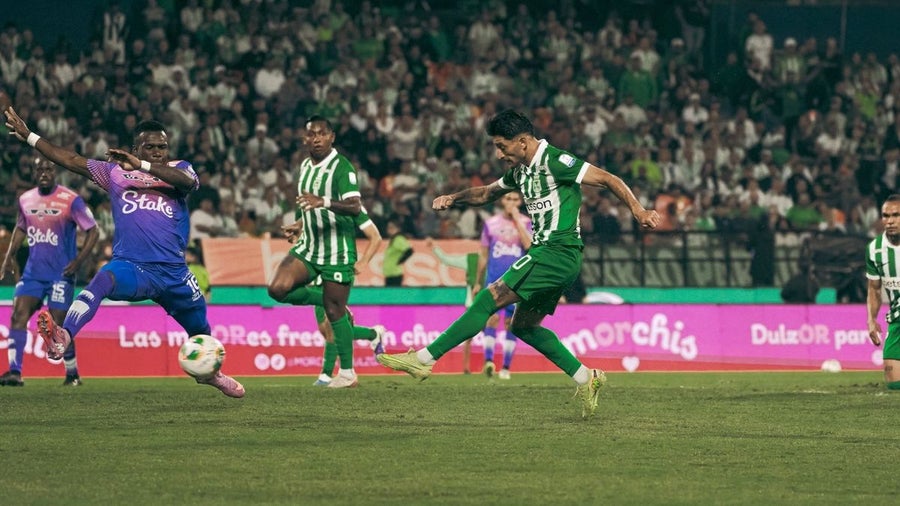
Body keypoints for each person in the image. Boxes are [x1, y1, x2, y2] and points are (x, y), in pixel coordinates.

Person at [376, 109, 660, 419]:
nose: (499, 154)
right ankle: (586, 377)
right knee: (523, 326)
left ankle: (424, 359)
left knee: (489, 298)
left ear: (523, 142)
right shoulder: (520, 172)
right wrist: (454, 198)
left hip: (556, 252)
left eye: (502, 146)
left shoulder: (556, 161)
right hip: (551, 256)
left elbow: (607, 178)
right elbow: (486, 193)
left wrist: (639, 211)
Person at [4, 107, 245, 398]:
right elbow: (70, 159)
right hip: (133, 267)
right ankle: (63, 336)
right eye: (150, 147)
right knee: (102, 280)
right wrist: (30, 136)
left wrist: (142, 164)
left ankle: (211, 375)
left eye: (162, 147)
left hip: (175, 273)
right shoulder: (114, 173)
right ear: (135, 147)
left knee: (201, 331)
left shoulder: (179, 168)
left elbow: (188, 183)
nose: (158, 152)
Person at [267, 116, 365, 389]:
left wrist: (323, 201)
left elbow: (354, 206)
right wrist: (300, 224)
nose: (317, 139)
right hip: (310, 246)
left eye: (322, 134)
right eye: (312, 134)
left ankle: (348, 373)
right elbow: (309, 206)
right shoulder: (306, 166)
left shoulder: (342, 167)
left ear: (332, 137)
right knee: (278, 289)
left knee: (334, 313)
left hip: (336, 250)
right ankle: (331, 300)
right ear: (305, 139)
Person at [0, 156, 99, 386]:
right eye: (40, 169)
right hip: (33, 274)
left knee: (59, 326)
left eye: (49, 169)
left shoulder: (71, 200)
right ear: (33, 173)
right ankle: (14, 372)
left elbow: (93, 231)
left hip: (60, 275)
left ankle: (72, 374)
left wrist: (78, 261)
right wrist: (8, 257)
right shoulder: (25, 199)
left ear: (56, 173)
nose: (44, 173)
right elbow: (20, 227)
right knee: (18, 315)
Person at [281, 206, 386, 387]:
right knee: (328, 329)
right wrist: (297, 237)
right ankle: (372, 334)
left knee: (329, 324)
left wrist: (363, 261)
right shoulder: (303, 207)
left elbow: (370, 233)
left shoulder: (344, 204)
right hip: (315, 268)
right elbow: (303, 232)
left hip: (338, 265)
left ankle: (327, 374)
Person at [476, 191, 532, 380]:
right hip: (494, 280)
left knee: (511, 323)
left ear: (521, 201)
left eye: (515, 199)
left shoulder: (527, 222)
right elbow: (483, 255)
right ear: (502, 200)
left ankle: (506, 367)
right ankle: (488, 362)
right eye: (508, 198)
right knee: (491, 319)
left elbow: (529, 246)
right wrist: (477, 282)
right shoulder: (490, 224)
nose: (512, 202)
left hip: (517, 282)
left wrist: (516, 219)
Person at [426, 237, 481, 374]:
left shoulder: (492, 260)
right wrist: (434, 247)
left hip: (482, 302)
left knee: (479, 334)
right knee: (470, 336)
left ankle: (485, 364)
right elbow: (447, 260)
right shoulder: (471, 259)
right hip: (475, 303)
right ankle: (467, 367)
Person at [866, 194, 900, 390]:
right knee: (894, 383)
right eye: (886, 216)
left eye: (896, 215)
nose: (890, 221)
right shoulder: (875, 249)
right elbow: (874, 289)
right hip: (897, 319)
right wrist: (871, 319)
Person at [382, 219, 413, 286]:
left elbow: (409, 251)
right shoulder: (394, 239)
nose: (389, 229)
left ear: (398, 228)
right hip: (390, 273)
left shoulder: (398, 239)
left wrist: (400, 261)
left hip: (395, 274)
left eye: (392, 227)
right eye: (388, 227)